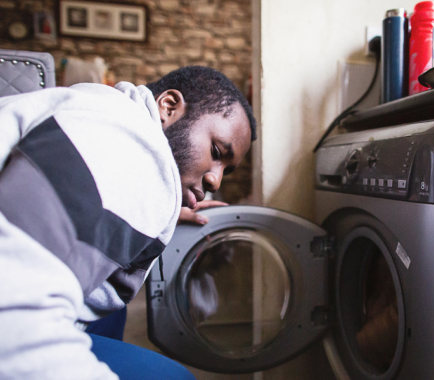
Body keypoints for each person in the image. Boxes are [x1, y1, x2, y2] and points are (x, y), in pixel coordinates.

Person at [0, 66, 256, 380]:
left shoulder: (102, 111)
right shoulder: (132, 149)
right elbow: (14, 315)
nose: (215, 180)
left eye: (226, 169)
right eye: (216, 151)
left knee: (112, 307)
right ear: (169, 107)